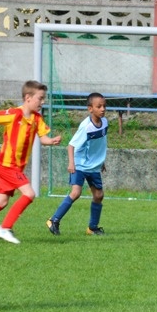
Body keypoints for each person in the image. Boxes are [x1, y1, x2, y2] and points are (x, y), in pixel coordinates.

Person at [0, 80, 62, 245]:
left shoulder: (37, 118)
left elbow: (43, 138)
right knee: (29, 194)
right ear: (28, 98)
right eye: (40, 98)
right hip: (7, 165)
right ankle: (5, 228)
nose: (43, 102)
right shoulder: (14, 114)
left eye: (43, 98)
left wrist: (51, 140)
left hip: (16, 167)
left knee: (1, 202)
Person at [46, 93, 109, 237]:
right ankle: (53, 220)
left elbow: (100, 144)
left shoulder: (105, 122)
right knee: (76, 193)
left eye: (104, 106)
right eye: (99, 106)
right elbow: (71, 145)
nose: (103, 109)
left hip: (93, 166)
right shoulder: (86, 127)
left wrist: (102, 161)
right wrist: (71, 163)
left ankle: (92, 228)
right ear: (90, 109)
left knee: (98, 195)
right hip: (80, 164)